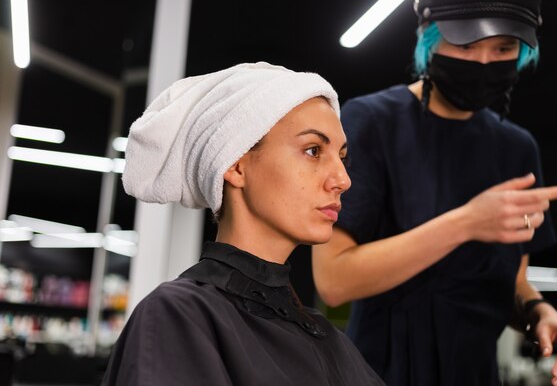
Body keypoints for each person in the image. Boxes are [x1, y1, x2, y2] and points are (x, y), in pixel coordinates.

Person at [312, 0, 557, 385]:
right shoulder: (371, 122)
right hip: (380, 373)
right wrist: (466, 222)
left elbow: (511, 284)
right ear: (430, 37)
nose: (483, 61)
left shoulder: (517, 150)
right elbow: (334, 280)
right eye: (465, 43)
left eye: (503, 47)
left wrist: (539, 313)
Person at [101, 62, 386, 386]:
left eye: (342, 157)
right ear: (236, 165)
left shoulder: (327, 337)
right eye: (312, 150)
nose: (342, 179)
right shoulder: (181, 316)